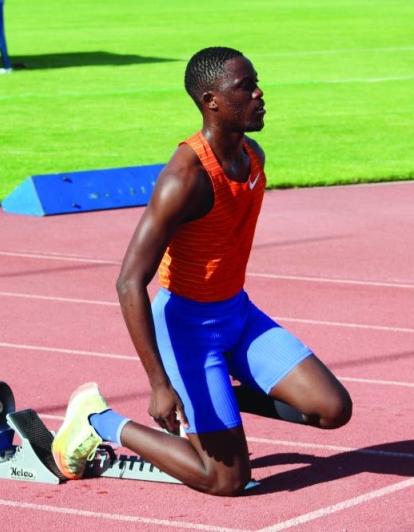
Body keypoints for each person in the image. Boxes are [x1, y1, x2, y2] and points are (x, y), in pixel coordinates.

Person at [51, 46, 353, 496]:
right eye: (245, 87)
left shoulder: (253, 156)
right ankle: (99, 421)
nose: (259, 93)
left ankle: (215, 400)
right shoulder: (184, 178)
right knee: (227, 480)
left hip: (237, 314)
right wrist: (159, 384)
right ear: (211, 101)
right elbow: (128, 281)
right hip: (187, 329)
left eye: (256, 83)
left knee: (332, 409)